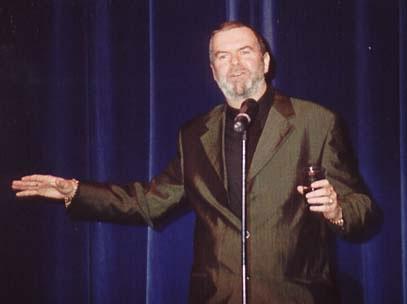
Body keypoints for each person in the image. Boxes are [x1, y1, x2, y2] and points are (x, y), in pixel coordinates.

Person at [12, 21, 379, 303]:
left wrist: (336, 210)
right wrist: (75, 191)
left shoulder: (316, 121)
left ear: (265, 61)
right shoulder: (194, 135)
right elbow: (150, 200)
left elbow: (363, 208)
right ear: (212, 70)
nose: (234, 63)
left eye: (245, 51)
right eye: (223, 56)